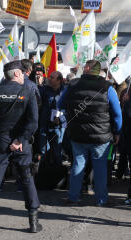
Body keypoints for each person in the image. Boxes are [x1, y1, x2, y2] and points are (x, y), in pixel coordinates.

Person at [0, 60, 42, 233]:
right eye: (22, 73)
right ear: (17, 74)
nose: (24, 76)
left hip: (0, 141)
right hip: (22, 144)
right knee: (27, 178)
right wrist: (20, 140)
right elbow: (33, 122)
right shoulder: (28, 92)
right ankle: (33, 222)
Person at [58, 60, 122, 206]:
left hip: (77, 133)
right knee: (100, 167)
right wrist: (117, 132)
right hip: (101, 135)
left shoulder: (73, 84)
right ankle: (101, 199)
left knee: (78, 163)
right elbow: (117, 113)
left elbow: (60, 104)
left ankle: (73, 196)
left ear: (87, 69)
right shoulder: (107, 87)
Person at [39, 71, 66, 166]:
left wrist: (60, 118)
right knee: (43, 151)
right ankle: (43, 174)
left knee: (57, 152)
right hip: (45, 124)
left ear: (59, 80)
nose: (49, 79)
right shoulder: (44, 90)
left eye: (52, 77)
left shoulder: (65, 91)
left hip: (59, 126)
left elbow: (68, 108)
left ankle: (57, 174)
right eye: (49, 77)